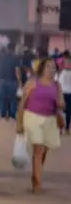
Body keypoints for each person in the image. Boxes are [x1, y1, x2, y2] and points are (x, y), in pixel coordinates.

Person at [16, 58, 66, 193]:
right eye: (48, 67)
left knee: (43, 152)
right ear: (42, 68)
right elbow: (22, 103)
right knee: (38, 150)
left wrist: (60, 104)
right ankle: (38, 184)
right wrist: (19, 123)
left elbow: (62, 104)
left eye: (54, 67)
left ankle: (35, 175)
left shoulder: (57, 85)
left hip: (50, 120)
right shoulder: (33, 83)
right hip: (32, 118)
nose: (51, 70)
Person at [0, 47, 21, 120]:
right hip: (12, 80)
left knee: (2, 98)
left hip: (2, 80)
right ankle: (12, 114)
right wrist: (20, 81)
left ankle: (3, 113)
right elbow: (17, 71)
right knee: (13, 99)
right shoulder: (15, 58)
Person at [59, 54, 71, 131]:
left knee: (64, 111)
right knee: (66, 111)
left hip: (66, 93)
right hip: (66, 93)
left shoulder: (62, 73)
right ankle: (64, 128)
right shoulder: (62, 73)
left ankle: (63, 128)